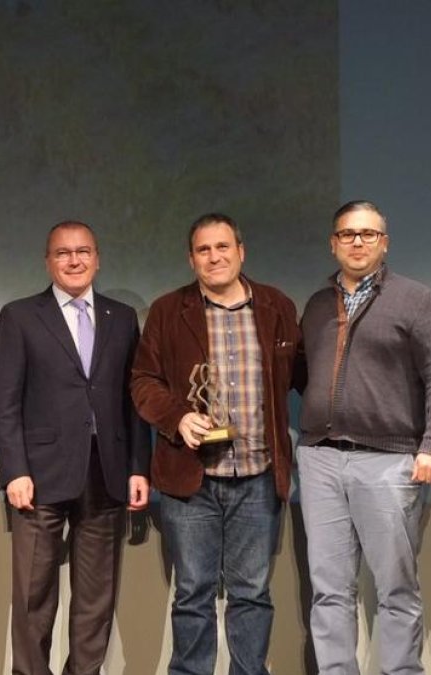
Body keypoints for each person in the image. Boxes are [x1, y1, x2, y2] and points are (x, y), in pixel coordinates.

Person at [130, 213, 299, 675]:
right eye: (204, 250)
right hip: (192, 477)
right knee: (193, 594)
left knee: (251, 593)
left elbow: (303, 375)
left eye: (222, 247)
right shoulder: (169, 310)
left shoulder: (276, 306)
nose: (214, 256)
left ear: (241, 252)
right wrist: (178, 417)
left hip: (258, 477)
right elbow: (143, 380)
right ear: (191, 259)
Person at [298, 200, 431, 675]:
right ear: (333, 243)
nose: (357, 242)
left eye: (368, 234)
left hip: (388, 460)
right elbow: (306, 375)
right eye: (347, 234)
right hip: (321, 459)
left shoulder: (416, 300)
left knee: (395, 588)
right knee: (329, 589)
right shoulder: (315, 305)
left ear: (384, 242)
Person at [0, 220, 151, 674]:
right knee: (33, 597)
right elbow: (5, 404)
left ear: (97, 258)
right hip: (38, 478)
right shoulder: (20, 316)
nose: (74, 260)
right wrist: (14, 471)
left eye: (83, 251)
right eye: (63, 253)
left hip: (107, 472)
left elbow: (133, 400)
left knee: (95, 598)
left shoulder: (121, 317)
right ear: (48, 261)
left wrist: (139, 466)